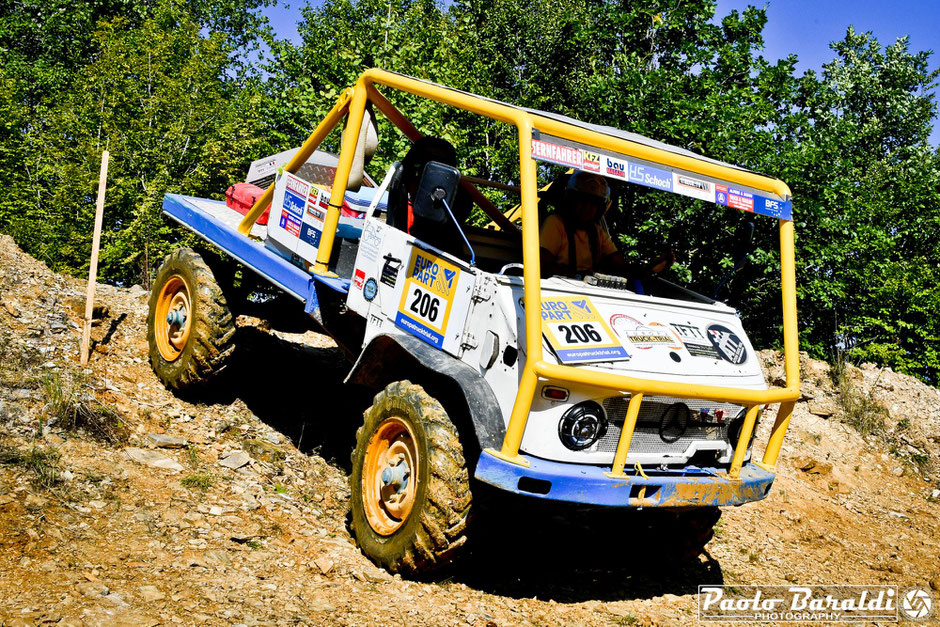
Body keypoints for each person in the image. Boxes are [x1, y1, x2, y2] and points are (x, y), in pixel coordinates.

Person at [539, 171, 673, 280]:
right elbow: (542, 266)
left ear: (601, 208)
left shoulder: (597, 232)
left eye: (594, 203)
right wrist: (579, 276)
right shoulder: (555, 223)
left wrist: (649, 268)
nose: (588, 208)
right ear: (571, 200)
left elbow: (621, 267)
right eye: (584, 201)